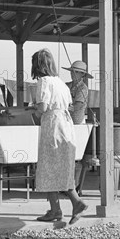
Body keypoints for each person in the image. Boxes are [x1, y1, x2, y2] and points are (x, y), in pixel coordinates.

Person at [31, 49, 88, 225]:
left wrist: (32, 110)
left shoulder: (44, 81)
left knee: (49, 166)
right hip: (66, 125)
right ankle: (56, 209)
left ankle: (74, 202)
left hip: (53, 125)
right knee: (59, 167)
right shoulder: (61, 83)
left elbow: (43, 107)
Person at [62, 60, 93, 125]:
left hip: (77, 121)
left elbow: (78, 105)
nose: (72, 74)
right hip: (66, 119)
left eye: (76, 72)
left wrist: (63, 108)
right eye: (71, 71)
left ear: (82, 74)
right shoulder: (66, 85)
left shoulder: (83, 88)